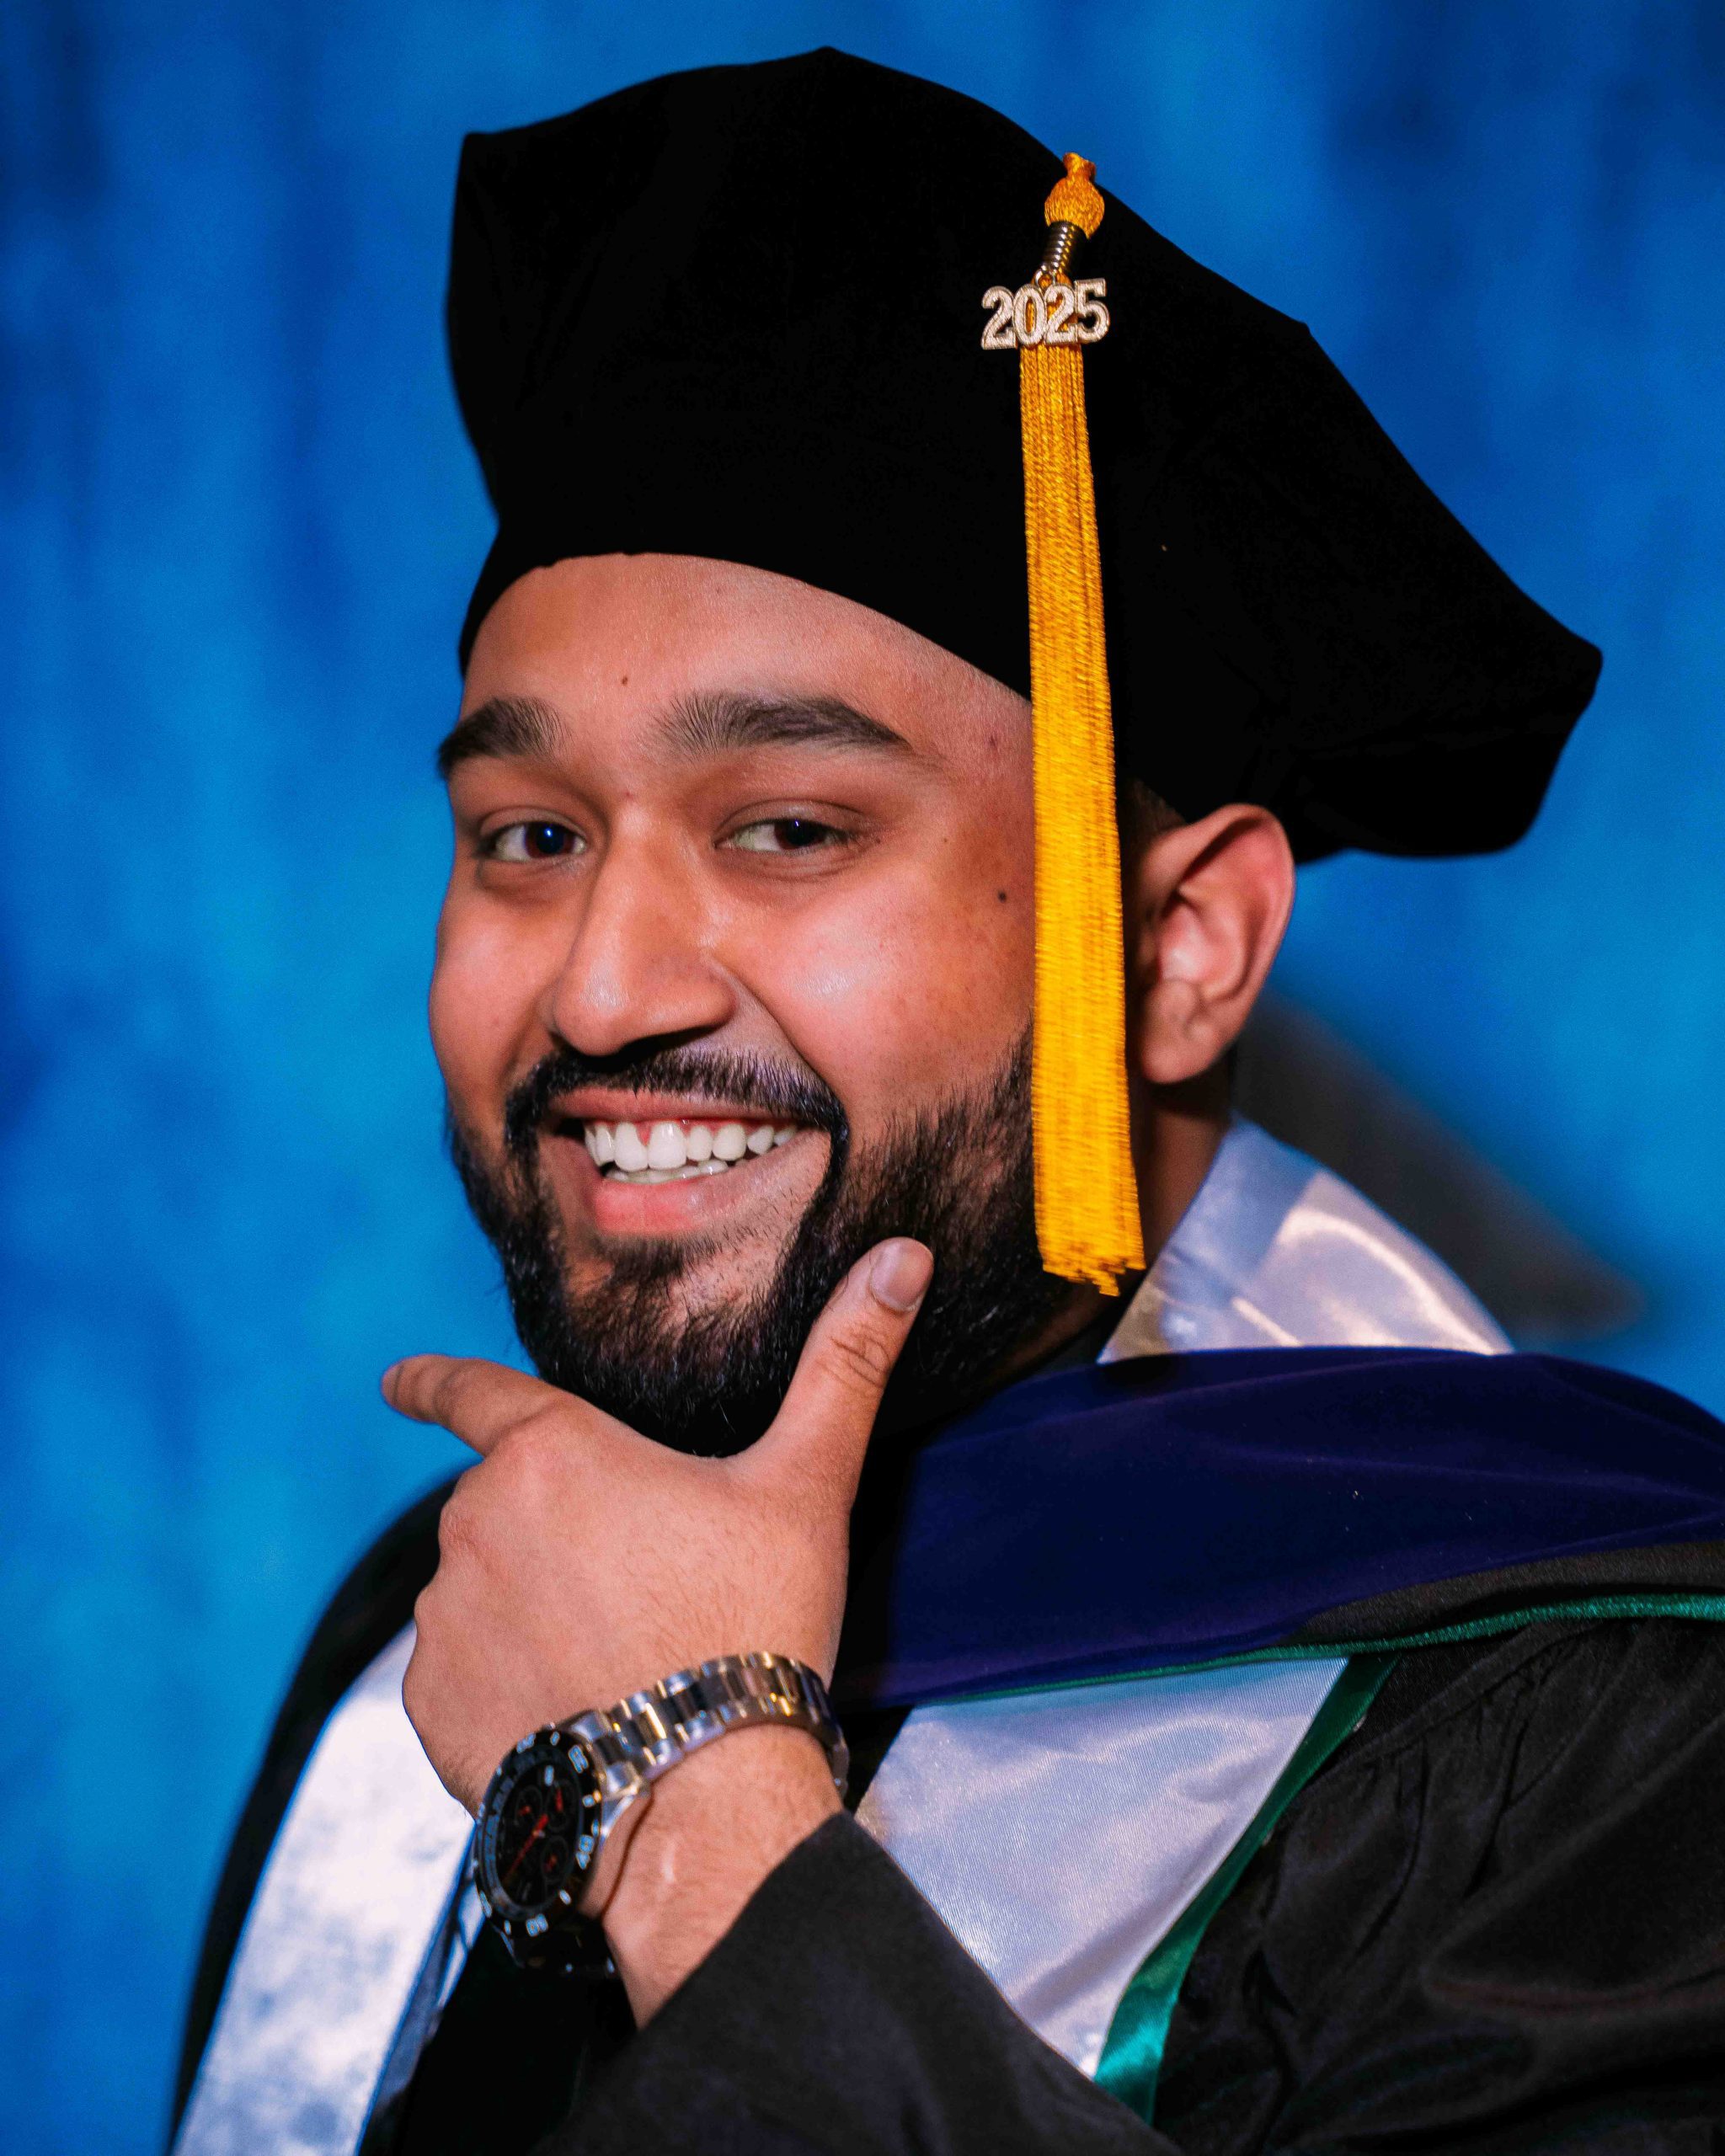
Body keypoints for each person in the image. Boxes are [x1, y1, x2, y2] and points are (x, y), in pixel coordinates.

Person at [170, 49, 1725, 2156]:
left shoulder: (1607, 1736)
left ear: (1179, 950)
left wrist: (695, 1802)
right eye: (528, 835)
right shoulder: (442, 1625)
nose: (608, 983)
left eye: (792, 825)